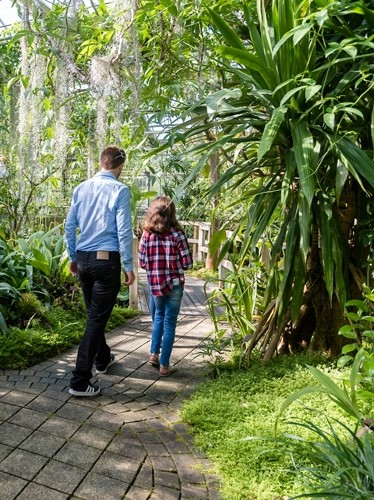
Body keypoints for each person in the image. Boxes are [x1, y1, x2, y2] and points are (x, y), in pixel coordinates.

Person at [64, 145, 135, 397]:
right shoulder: (120, 190)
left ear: (101, 162)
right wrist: (129, 266)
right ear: (120, 165)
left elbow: (70, 225)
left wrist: (73, 257)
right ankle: (80, 380)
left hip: (83, 261)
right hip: (107, 263)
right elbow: (124, 231)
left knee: (95, 315)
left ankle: (102, 359)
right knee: (96, 319)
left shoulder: (81, 188)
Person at [138, 196, 193, 376]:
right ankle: (164, 365)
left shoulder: (147, 235)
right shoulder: (178, 234)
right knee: (170, 323)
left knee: (159, 317)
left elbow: (142, 263)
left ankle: (154, 354)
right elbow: (187, 264)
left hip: (156, 285)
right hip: (175, 284)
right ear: (171, 213)